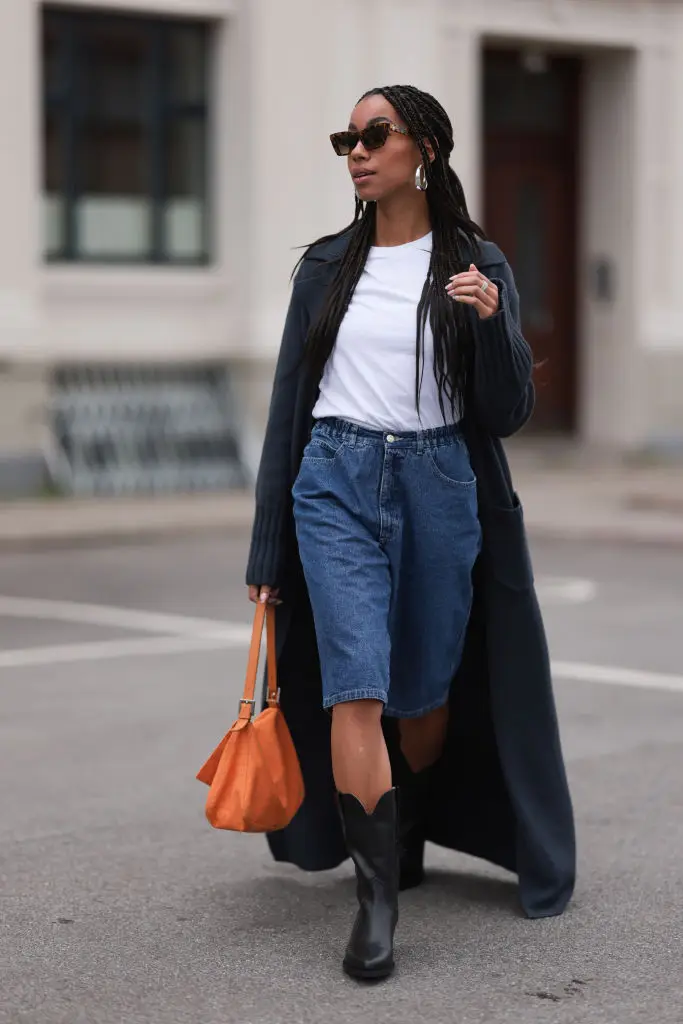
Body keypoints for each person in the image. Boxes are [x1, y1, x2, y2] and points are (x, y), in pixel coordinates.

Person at [246, 84, 575, 981]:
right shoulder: (323, 268)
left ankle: (411, 823)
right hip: (334, 479)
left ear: (423, 148)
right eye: (345, 139)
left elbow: (505, 414)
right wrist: (267, 546)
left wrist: (493, 323)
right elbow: (289, 412)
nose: (356, 151)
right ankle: (375, 900)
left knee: (421, 702)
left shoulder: (477, 263)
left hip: (438, 482)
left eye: (373, 134)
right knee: (354, 686)